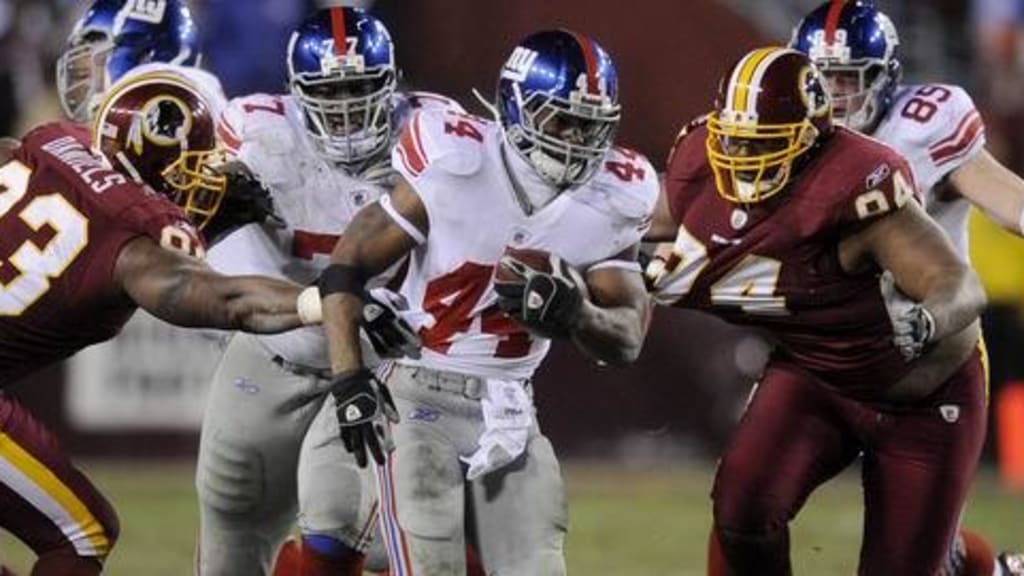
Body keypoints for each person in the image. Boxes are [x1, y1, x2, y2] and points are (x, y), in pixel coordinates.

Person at [318, 29, 656, 576]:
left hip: (511, 409)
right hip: (416, 393)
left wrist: (579, 314)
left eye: (591, 125)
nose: (577, 140)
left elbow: (628, 338)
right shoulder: (457, 161)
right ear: (516, 109)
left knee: (539, 567)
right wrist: (348, 377)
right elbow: (346, 264)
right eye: (561, 120)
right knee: (430, 563)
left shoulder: (617, 192)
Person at [645, 47, 987, 575]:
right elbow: (638, 227)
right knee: (742, 508)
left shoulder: (851, 188)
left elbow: (959, 283)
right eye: (733, 140)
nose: (742, 158)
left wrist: (927, 320)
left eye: (763, 144)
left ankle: (985, 568)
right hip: (816, 375)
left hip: (920, 398)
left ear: (809, 139)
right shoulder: (700, 168)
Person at [0, 73, 315, 576]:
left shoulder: (55, 140)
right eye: (190, 169)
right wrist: (322, 301)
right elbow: (230, 300)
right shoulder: (134, 240)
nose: (199, 183)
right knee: (82, 535)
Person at [193, 7, 466, 576]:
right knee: (233, 516)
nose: (344, 109)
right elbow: (225, 260)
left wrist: (412, 314)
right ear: (294, 93)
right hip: (278, 351)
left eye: (360, 89)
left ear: (391, 85)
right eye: (329, 91)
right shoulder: (257, 131)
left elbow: (465, 255)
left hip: (387, 361)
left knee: (347, 517)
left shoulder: (435, 132)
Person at [790, 2, 1024, 572]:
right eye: (820, 79)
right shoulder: (780, 133)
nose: (834, 96)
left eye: (848, 79)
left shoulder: (925, 123)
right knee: (746, 499)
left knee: (922, 558)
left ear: (884, 77)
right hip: (821, 353)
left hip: (927, 354)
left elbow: (1011, 201)